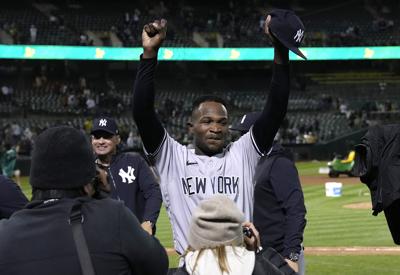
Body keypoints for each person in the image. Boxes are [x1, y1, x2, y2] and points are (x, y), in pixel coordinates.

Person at [133, 10, 306, 255]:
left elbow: (275, 109)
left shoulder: (242, 154)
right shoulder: (173, 158)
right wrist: (149, 55)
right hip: (193, 267)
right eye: (207, 121)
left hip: (241, 264)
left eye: (222, 122)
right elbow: (142, 112)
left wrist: (280, 52)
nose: (216, 128)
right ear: (190, 127)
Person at [0, 126, 168, 275]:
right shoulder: (114, 217)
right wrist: (101, 196)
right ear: (89, 182)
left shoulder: (4, 233)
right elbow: (159, 265)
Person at [231, 112, 307, 274]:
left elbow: (296, 211)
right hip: (252, 254)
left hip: (279, 257)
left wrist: (291, 256)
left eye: (246, 134)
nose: (241, 139)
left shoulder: (279, 164)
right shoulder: (249, 164)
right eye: (241, 134)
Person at [174, 195, 293, 275]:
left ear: (195, 237)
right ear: (238, 234)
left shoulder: (182, 271)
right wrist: (258, 251)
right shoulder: (262, 267)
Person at [91, 116, 162, 235]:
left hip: (137, 238)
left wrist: (148, 221)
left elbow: (153, 191)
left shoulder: (134, 161)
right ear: (92, 140)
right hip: (105, 240)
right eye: (97, 137)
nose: (101, 141)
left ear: (117, 139)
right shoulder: (87, 170)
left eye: (107, 136)